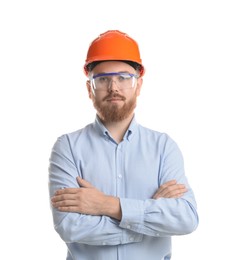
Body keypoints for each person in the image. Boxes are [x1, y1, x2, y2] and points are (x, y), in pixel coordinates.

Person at [49, 30, 199, 260]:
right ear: (89, 89)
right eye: (102, 79)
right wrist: (147, 221)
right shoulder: (67, 147)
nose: (113, 87)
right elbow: (69, 226)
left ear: (138, 86)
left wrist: (107, 205)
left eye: (123, 77)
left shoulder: (163, 147)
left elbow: (186, 218)